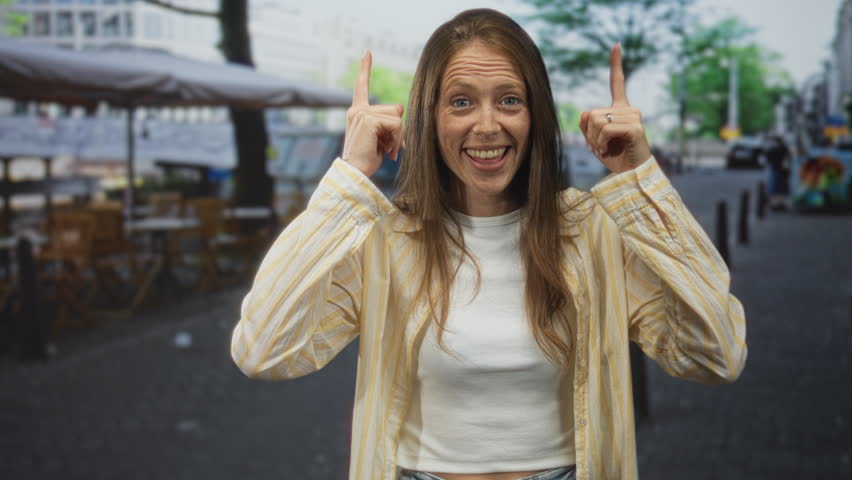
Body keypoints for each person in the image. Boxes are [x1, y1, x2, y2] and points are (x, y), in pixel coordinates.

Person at [231, 9, 747, 480]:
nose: (486, 124)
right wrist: (349, 178)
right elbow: (265, 350)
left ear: (535, 116)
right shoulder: (385, 240)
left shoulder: (594, 232)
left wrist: (642, 181)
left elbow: (716, 354)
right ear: (428, 120)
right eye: (460, 102)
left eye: (509, 100)